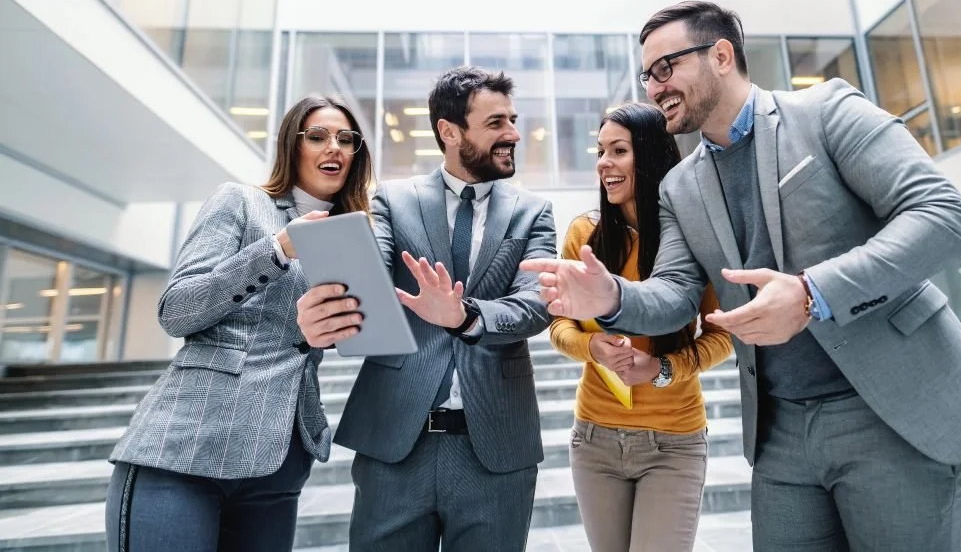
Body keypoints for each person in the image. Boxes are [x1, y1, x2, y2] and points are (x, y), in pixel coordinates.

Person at [523, 1, 961, 551]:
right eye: (648, 75)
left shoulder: (827, 110)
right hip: (780, 431)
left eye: (666, 67)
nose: (654, 86)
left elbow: (942, 215)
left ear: (720, 55)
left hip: (886, 410)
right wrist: (613, 296)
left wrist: (813, 293)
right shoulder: (680, 187)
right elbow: (675, 293)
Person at [296, 67, 556, 552]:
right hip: (396, 444)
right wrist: (332, 304)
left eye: (513, 120)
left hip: (496, 448)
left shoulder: (533, 211)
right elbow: (365, 280)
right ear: (449, 131)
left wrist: (466, 316)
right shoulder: (392, 199)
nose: (513, 134)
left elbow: (534, 306)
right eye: (497, 122)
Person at [105, 95, 374, 552]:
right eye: (318, 136)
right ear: (292, 144)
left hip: (277, 464)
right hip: (185, 449)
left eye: (346, 139)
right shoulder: (242, 202)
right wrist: (276, 249)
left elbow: (313, 335)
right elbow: (176, 310)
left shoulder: (353, 233)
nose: (335, 147)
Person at [549, 102, 733, 552]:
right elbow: (559, 327)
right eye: (600, 151)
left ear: (648, 155)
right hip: (594, 439)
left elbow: (723, 333)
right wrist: (593, 347)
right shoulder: (584, 236)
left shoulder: (691, 236)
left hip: (674, 442)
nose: (604, 164)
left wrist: (662, 368)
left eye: (619, 151)